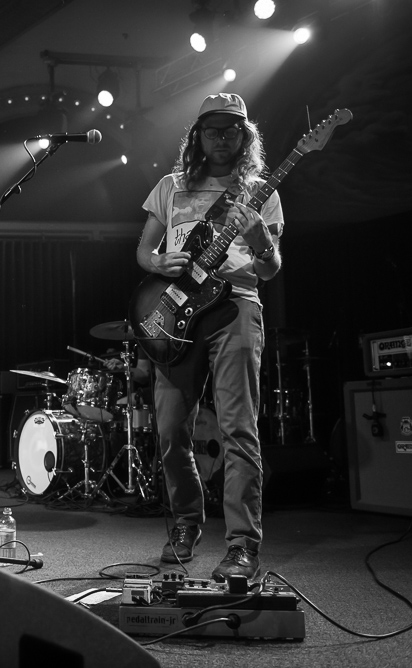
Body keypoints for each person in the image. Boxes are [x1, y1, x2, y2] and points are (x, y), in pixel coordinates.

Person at [135, 93, 283, 581]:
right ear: (197, 134)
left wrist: (260, 238)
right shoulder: (170, 187)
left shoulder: (261, 190)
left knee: (238, 429)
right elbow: (144, 250)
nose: (222, 137)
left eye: (233, 129)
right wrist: (158, 262)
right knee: (171, 428)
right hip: (178, 315)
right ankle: (186, 522)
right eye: (213, 129)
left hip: (236, 306)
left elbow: (271, 268)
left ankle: (242, 544)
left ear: (246, 136)